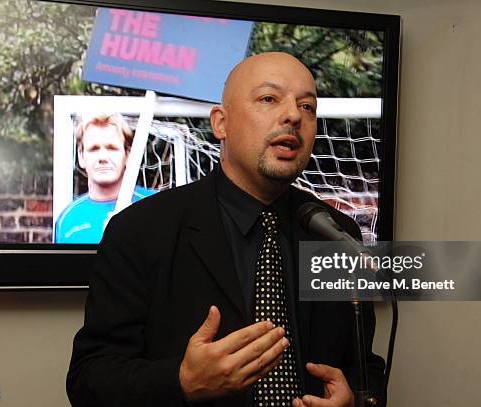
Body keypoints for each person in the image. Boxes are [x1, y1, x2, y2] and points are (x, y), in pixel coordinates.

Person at [67, 52, 384, 407]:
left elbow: (365, 367)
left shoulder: (337, 236)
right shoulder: (139, 230)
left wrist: (355, 400)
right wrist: (181, 382)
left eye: (307, 106)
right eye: (269, 99)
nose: (294, 115)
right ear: (221, 123)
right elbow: (89, 380)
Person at [55, 113, 155, 243]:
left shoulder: (155, 206)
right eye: (94, 149)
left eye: (111, 148)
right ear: (81, 157)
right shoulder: (68, 219)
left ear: (128, 155)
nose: (103, 157)